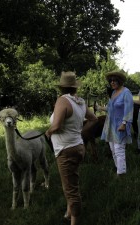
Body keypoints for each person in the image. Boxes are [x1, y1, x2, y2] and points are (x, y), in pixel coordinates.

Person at [45, 71, 97, 225]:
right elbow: (93, 119)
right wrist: (79, 132)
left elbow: (56, 125)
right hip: (78, 146)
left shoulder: (62, 100)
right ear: (75, 87)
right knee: (72, 181)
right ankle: (68, 213)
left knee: (71, 189)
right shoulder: (79, 102)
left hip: (66, 150)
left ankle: (74, 220)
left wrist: (48, 132)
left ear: (61, 88)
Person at [98, 71, 134, 177]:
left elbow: (129, 110)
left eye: (114, 80)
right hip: (110, 126)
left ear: (120, 81)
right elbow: (110, 108)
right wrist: (100, 108)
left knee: (119, 150)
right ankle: (119, 169)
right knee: (113, 150)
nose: (112, 83)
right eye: (110, 81)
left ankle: (121, 174)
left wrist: (124, 123)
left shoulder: (126, 92)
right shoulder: (113, 93)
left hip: (120, 125)